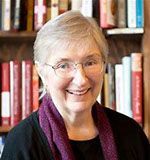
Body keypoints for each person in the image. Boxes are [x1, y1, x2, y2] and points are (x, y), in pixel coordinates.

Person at [1, 11, 150, 160]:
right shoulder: (21, 144)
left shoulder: (130, 133)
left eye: (90, 62)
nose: (81, 80)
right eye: (64, 65)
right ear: (41, 72)